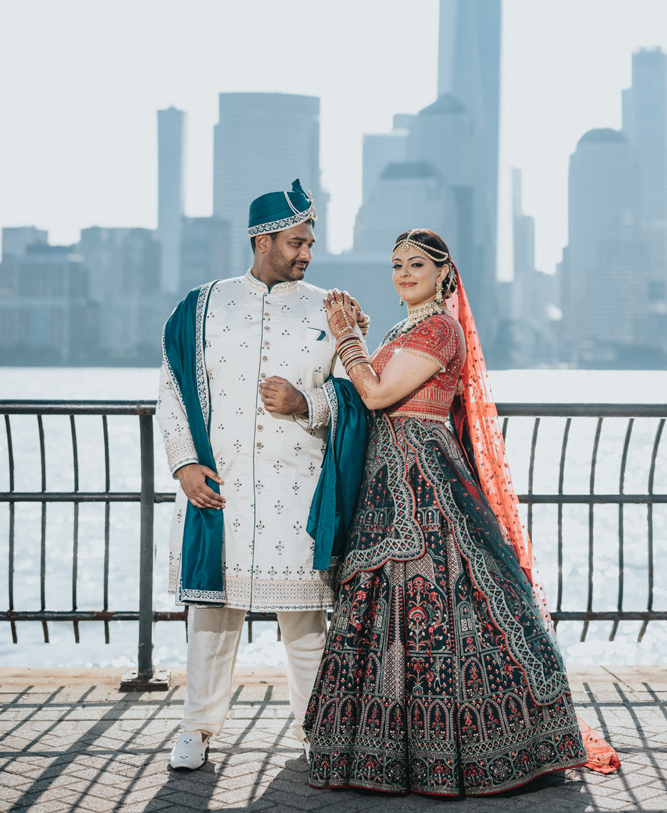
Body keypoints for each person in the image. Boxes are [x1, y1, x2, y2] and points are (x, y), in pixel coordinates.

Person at [303, 228, 592, 797]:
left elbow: (380, 395)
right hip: (387, 488)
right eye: (395, 265)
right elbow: (371, 389)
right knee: (383, 606)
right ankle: (384, 754)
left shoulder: (441, 327)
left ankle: (487, 748)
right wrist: (359, 337)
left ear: (443, 273)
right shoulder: (401, 328)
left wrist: (347, 341)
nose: (403, 273)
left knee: (455, 601)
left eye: (416, 264)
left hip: (429, 484)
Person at [156, 179, 368, 771]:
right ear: (262, 238)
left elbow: (359, 394)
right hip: (218, 491)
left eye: (311, 244)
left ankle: (316, 733)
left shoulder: (331, 310)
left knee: (305, 625)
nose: (307, 254)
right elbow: (171, 390)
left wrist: (308, 402)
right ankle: (196, 731)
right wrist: (184, 463)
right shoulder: (200, 308)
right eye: (297, 242)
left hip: (296, 494)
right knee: (211, 621)